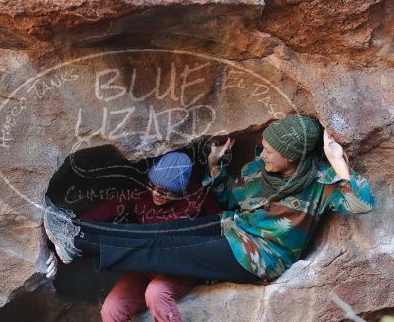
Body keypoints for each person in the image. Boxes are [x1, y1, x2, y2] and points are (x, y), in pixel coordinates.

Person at [44, 114, 374, 290]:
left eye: (272, 151)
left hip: (259, 257)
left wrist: (337, 162)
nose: (265, 153)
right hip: (235, 228)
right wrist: (215, 168)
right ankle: (76, 235)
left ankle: (80, 242)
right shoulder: (261, 169)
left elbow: (362, 203)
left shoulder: (320, 185)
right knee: (166, 233)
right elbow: (234, 198)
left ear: (292, 157)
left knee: (164, 250)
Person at [79, 151, 222, 322]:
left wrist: (214, 268)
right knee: (111, 309)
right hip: (143, 267)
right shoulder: (139, 196)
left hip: (179, 269)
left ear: (181, 191)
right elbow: (99, 215)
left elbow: (220, 227)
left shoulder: (197, 197)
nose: (157, 194)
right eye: (153, 186)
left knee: (156, 293)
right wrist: (71, 232)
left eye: (166, 192)